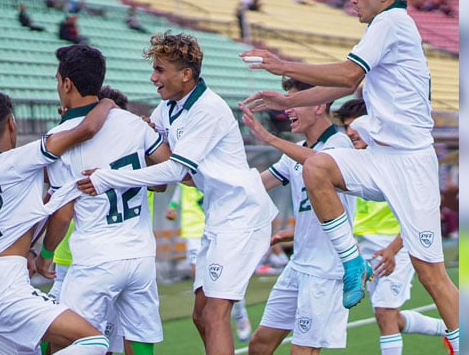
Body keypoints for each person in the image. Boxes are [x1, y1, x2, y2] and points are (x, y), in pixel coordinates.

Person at [240, 0, 460, 353]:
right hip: (380, 158)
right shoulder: (384, 27)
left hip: (411, 164)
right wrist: (285, 97)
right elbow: (337, 89)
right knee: (318, 166)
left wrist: (281, 65)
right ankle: (352, 263)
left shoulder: (391, 22)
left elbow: (346, 76)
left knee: (432, 274)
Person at [77, 31, 278, 355]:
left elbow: (174, 171)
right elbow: (155, 144)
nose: (153, 77)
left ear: (186, 74)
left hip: (242, 216)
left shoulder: (207, 109)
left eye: (160, 69)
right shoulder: (168, 108)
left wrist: (108, 178)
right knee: (201, 315)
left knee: (214, 315)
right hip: (219, 214)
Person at [34, 44, 171, 354]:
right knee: (138, 338)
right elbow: (163, 178)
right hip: (140, 256)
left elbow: (63, 213)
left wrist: (45, 253)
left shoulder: (64, 138)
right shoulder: (134, 124)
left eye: (58, 79)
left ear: (66, 83)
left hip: (96, 258)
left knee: (58, 335)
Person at [0, 91, 116, 355]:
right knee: (94, 341)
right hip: (6, 286)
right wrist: (107, 103)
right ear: (12, 124)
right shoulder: (21, 160)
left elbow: (17, 223)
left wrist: (34, 249)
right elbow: (87, 129)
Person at [239, 78, 355, 354]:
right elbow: (257, 184)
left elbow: (319, 163)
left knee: (302, 351)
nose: (287, 110)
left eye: (294, 103)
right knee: (259, 344)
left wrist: (268, 137)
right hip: (299, 264)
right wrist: (205, 178)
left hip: (325, 269)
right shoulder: (295, 151)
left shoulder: (341, 144)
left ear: (319, 105)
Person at [335, 99, 450, 355]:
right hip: (367, 247)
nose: (350, 133)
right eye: (346, 127)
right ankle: (450, 327)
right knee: (388, 317)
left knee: (385, 313)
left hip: (396, 245)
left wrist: (393, 248)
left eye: (354, 126)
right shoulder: (356, 161)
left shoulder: (396, 156)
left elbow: (427, 208)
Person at [165, 184, 253, 342]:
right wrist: (172, 207)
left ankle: (239, 314)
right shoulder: (185, 172)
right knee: (198, 274)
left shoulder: (213, 173)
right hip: (192, 232)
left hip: (215, 230)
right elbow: (178, 191)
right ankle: (212, 324)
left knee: (224, 277)